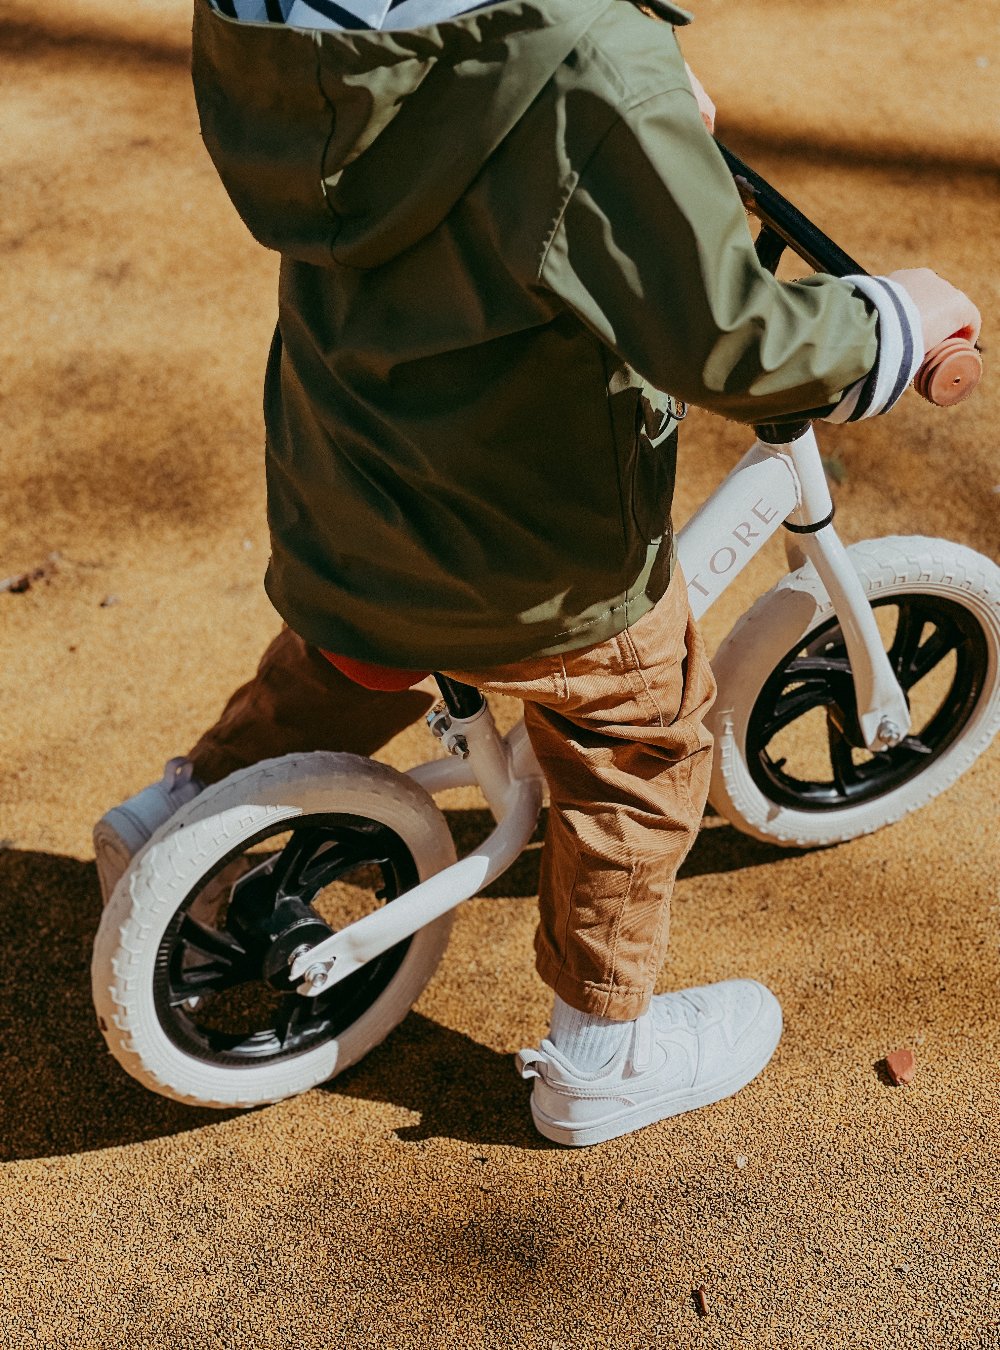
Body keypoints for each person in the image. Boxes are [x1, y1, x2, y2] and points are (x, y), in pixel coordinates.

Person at [95, 0, 980, 1146]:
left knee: (353, 652)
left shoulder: (287, 29)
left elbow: (482, 135)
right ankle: (601, 1056)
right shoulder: (589, 63)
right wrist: (890, 326)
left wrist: (641, 130)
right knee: (643, 734)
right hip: (532, 547)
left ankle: (179, 808)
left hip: (351, 477)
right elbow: (735, 342)